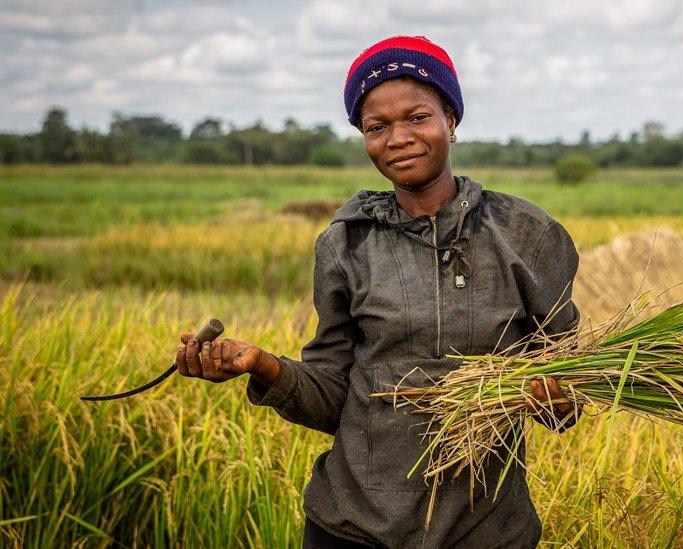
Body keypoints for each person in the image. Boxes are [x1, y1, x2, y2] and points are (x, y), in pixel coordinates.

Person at [175, 35, 582, 548]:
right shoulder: (347, 243)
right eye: (377, 127)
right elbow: (334, 399)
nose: (399, 138)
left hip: (486, 531)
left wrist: (550, 393)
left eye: (418, 117)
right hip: (353, 528)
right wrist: (262, 365)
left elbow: (568, 393)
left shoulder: (526, 234)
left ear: (451, 121)